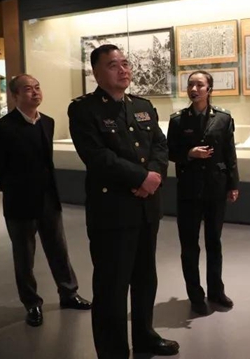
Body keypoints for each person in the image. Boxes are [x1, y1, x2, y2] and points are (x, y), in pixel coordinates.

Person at [68, 45, 179, 358]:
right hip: (112, 211)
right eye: (113, 65)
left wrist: (153, 176)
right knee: (112, 286)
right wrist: (140, 178)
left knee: (145, 278)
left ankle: (144, 335)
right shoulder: (84, 110)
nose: (123, 69)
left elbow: (160, 145)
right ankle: (113, 350)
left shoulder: (142, 106)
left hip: (146, 208)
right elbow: (96, 156)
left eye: (125, 63)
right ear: (96, 72)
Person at [0, 74, 91, 327]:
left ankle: (69, 293)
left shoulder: (47, 122)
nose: (35, 92)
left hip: (48, 199)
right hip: (19, 202)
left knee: (59, 249)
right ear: (15, 95)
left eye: (37, 87)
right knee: (24, 256)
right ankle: (31, 303)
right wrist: (10, 186)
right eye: (28, 89)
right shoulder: (2, 128)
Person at [167, 70, 239, 316]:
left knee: (214, 242)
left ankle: (216, 291)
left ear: (209, 89)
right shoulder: (178, 120)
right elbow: (169, 152)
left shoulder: (223, 118)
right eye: (190, 85)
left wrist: (233, 185)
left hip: (215, 188)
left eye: (199, 85)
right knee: (189, 245)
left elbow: (230, 154)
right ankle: (195, 295)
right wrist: (189, 153)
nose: (194, 89)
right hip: (188, 190)